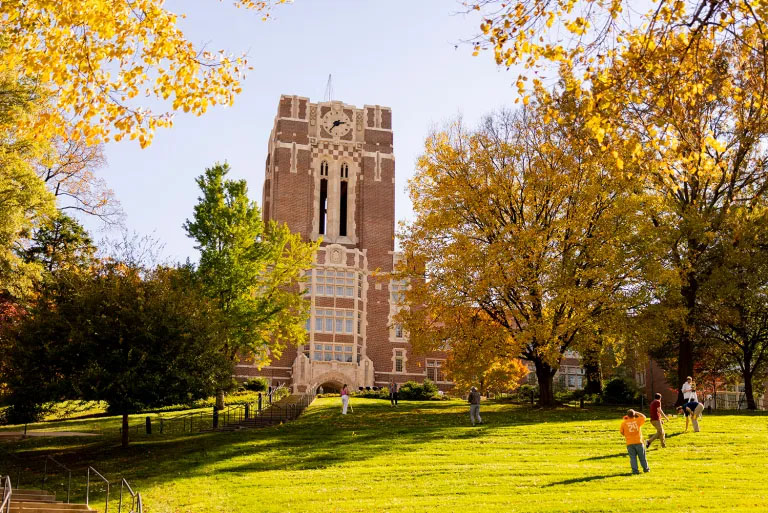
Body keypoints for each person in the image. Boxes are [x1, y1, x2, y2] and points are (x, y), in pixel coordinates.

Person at [620, 409, 650, 474]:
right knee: (642, 457)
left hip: (629, 442)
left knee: (633, 458)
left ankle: (635, 471)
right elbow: (644, 417)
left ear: (627, 415)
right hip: (639, 442)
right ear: (634, 415)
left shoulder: (624, 423)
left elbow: (622, 432)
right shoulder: (637, 420)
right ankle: (646, 469)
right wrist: (636, 412)